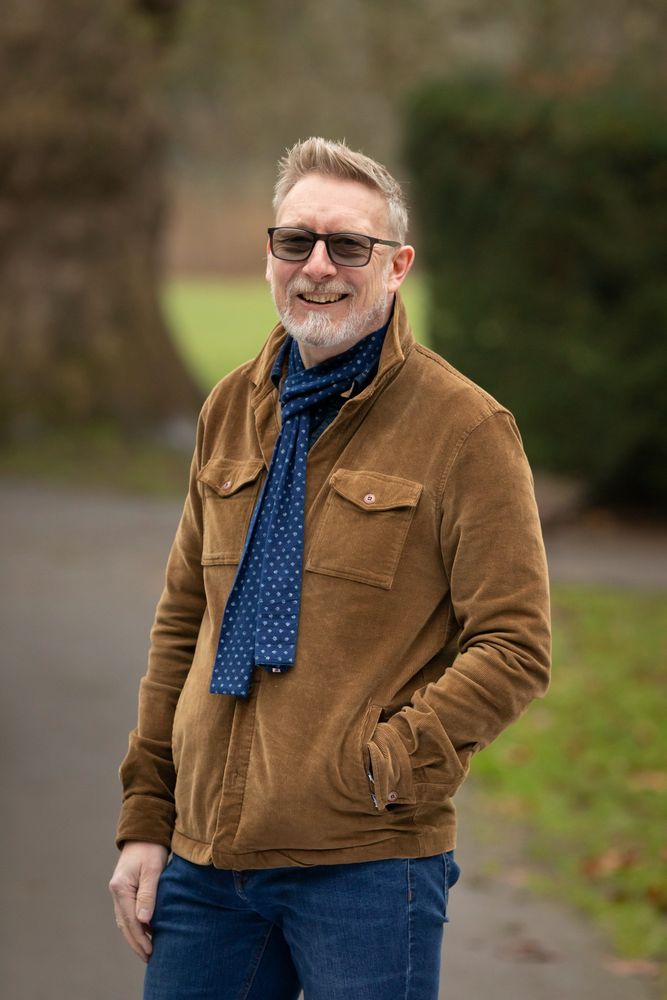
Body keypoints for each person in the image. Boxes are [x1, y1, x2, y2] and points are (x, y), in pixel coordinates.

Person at [109, 137, 551, 1000]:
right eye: (294, 242)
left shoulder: (465, 428)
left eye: (347, 245)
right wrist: (144, 821)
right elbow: (181, 625)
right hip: (202, 864)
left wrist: (381, 765)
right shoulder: (231, 406)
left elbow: (514, 644)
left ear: (396, 266)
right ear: (270, 255)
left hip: (365, 866)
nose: (318, 266)